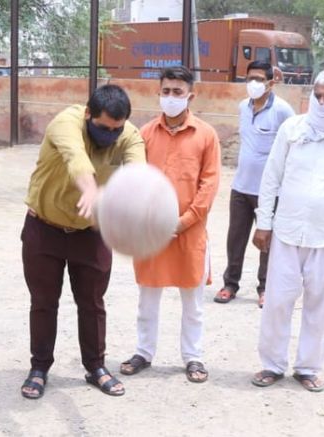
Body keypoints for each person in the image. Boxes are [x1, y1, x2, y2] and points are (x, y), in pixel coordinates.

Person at [20, 84, 145, 399]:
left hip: (92, 234)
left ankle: (96, 367)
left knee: (92, 303)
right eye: (103, 127)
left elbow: (137, 173)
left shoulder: (129, 135)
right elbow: (76, 158)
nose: (110, 135)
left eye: (116, 130)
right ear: (89, 113)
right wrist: (90, 189)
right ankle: (39, 368)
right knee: (44, 302)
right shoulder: (66, 122)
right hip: (44, 228)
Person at [251, 69, 324, 392]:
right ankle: (272, 365)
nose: (322, 101)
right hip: (286, 231)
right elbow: (271, 178)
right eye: (318, 95)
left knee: (319, 305)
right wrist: (264, 223)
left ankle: (308, 368)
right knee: (277, 301)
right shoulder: (293, 128)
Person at [120, 66, 221, 384]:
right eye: (166, 91)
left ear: (191, 95)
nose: (171, 97)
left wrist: (183, 222)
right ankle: (143, 352)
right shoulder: (145, 133)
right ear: (158, 93)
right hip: (151, 232)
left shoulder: (206, 135)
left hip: (189, 232)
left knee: (193, 302)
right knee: (147, 298)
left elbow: (209, 184)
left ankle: (193, 357)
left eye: (178, 92)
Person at [214, 61, 295, 308]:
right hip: (241, 186)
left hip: (269, 191)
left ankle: (265, 287)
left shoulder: (283, 111)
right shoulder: (243, 107)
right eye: (250, 78)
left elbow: (294, 143)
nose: (253, 83)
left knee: (267, 241)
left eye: (259, 79)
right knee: (235, 238)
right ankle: (230, 284)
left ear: (271, 82)